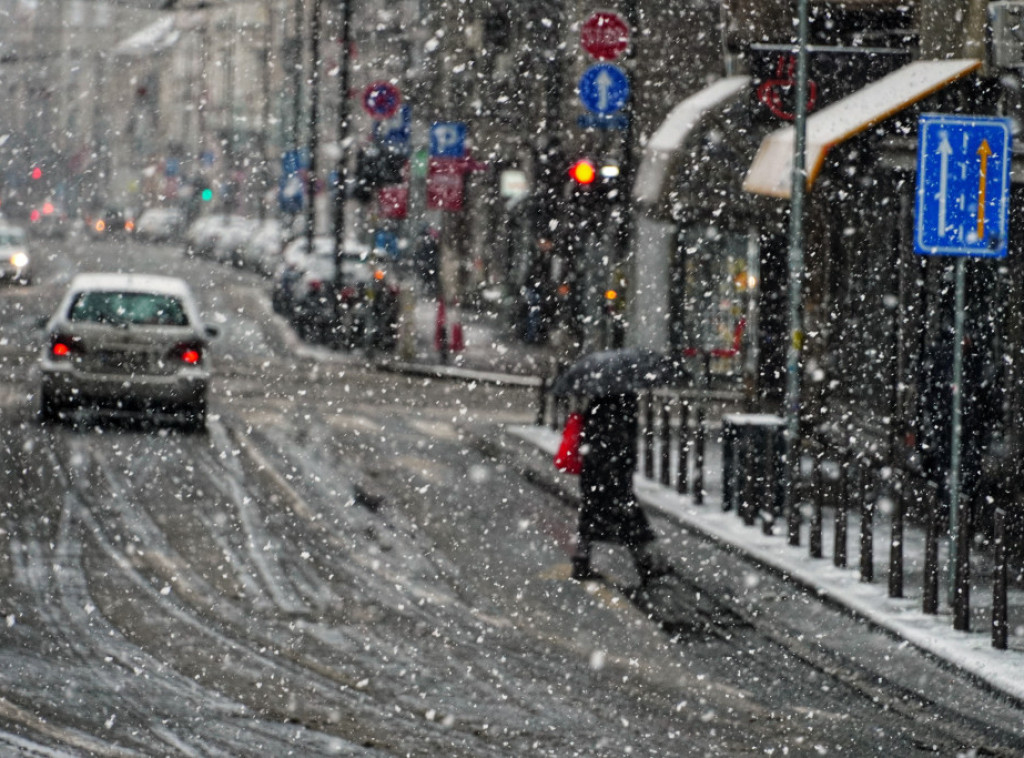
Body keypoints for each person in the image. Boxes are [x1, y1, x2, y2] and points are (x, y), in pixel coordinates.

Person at [571, 392, 674, 584]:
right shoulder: (622, 404)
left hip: (595, 471)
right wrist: (623, 462)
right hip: (611, 472)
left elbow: (592, 437)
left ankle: (581, 562)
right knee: (630, 519)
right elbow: (621, 442)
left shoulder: (598, 402)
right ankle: (646, 566)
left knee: (592, 516)